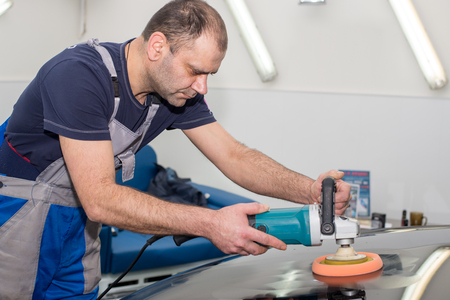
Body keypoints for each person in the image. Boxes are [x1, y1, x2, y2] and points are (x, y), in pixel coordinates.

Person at [0, 0, 351, 299]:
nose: (203, 87)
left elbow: (234, 156)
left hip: (80, 221)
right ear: (157, 47)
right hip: (20, 211)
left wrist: (309, 191)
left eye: (209, 75)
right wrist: (210, 223)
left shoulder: (175, 93)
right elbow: (100, 198)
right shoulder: (78, 76)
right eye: (196, 71)